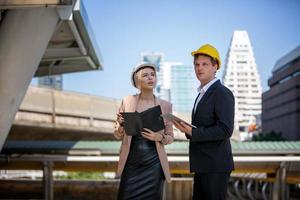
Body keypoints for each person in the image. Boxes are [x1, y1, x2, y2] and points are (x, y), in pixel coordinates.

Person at [172, 44, 235, 200]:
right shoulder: (201, 94)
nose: (199, 68)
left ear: (215, 67)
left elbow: (225, 130)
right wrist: (187, 130)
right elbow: (203, 127)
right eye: (197, 64)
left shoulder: (222, 93)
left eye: (205, 64)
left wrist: (193, 132)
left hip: (215, 165)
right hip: (202, 164)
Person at [114, 63, 174, 200]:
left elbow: (171, 136)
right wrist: (121, 126)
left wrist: (159, 137)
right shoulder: (127, 101)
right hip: (131, 164)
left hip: (154, 164)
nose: (150, 78)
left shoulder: (166, 106)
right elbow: (117, 135)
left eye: (152, 75)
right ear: (137, 80)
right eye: (145, 75)